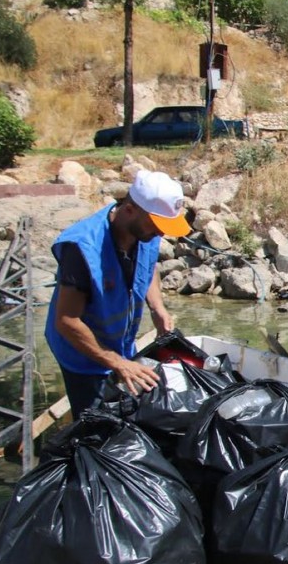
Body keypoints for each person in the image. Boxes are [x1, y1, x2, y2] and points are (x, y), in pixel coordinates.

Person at [45, 169, 192, 415]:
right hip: (80, 352)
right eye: (157, 225)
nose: (161, 233)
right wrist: (118, 363)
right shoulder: (82, 249)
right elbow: (66, 321)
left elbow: (148, 266)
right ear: (130, 210)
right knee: (95, 421)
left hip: (120, 343)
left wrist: (157, 307)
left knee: (128, 409)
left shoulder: (145, 232)